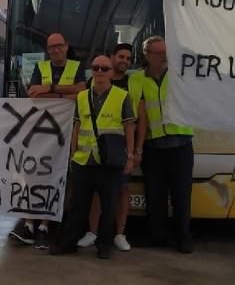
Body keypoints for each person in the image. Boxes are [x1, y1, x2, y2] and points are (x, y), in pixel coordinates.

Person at [51, 54, 136, 260]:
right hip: (83, 160)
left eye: (104, 68)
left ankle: (104, 245)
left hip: (109, 162)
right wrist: (72, 153)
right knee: (77, 205)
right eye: (96, 68)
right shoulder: (82, 96)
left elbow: (129, 127)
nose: (99, 72)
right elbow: (78, 126)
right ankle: (69, 243)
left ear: (110, 72)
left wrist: (131, 156)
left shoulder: (122, 96)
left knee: (108, 207)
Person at [10, 33, 85, 249]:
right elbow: (34, 95)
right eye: (51, 47)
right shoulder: (40, 68)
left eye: (59, 46)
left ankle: (45, 224)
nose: (55, 50)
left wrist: (51, 89)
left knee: (59, 176)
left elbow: (81, 92)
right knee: (36, 176)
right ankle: (32, 223)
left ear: (66, 46)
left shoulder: (77, 66)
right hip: (41, 131)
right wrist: (64, 96)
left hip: (68, 131)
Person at [78, 43, 143, 252]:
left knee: (122, 191)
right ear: (112, 58)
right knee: (98, 194)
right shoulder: (94, 81)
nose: (124, 60)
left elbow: (136, 121)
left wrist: (134, 153)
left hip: (119, 152)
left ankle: (120, 234)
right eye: (121, 56)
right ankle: (92, 232)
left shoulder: (131, 83)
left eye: (128, 58)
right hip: (94, 152)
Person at [135, 36, 195, 253]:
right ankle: (157, 236)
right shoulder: (137, 80)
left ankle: (183, 238)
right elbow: (136, 114)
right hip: (153, 147)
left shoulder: (180, 77)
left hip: (180, 145)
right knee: (154, 195)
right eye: (158, 53)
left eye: (165, 53)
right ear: (147, 55)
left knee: (181, 194)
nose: (163, 57)